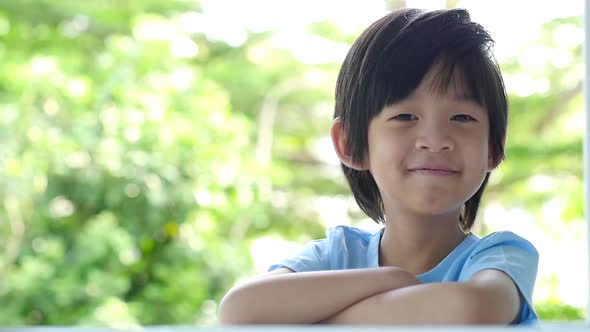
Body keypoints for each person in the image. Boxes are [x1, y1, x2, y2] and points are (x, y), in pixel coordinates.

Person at [218, 7, 539, 326]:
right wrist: (393, 278)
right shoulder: (337, 254)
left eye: (462, 118)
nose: (435, 140)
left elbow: (468, 311)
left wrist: (319, 320)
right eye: (405, 117)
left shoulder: (501, 256)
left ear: (493, 147)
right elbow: (239, 310)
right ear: (349, 143)